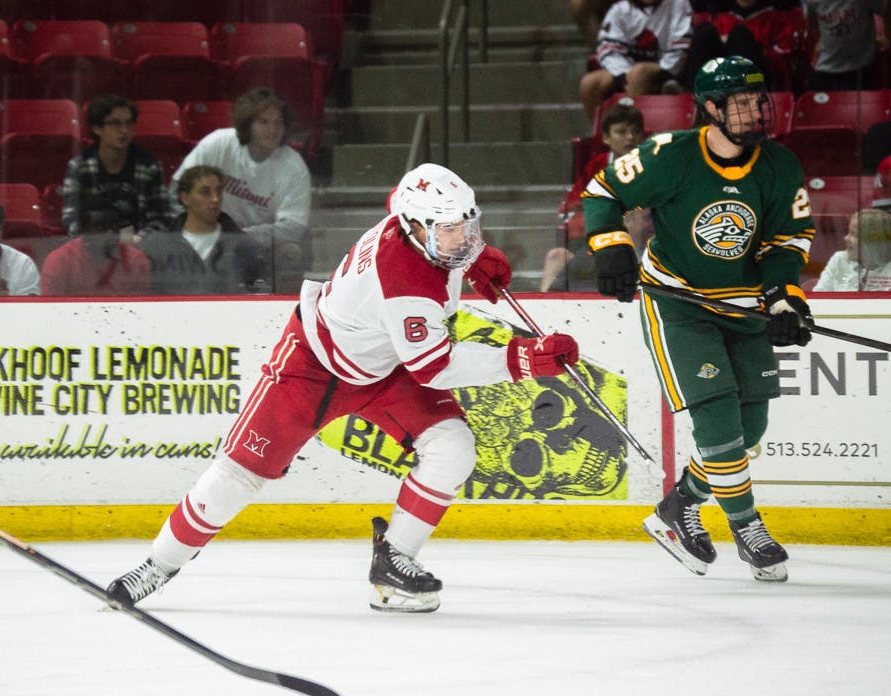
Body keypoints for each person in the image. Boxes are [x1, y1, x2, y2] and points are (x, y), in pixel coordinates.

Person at [105, 163, 580, 613]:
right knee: (240, 473)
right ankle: (157, 565)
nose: (461, 238)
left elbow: (437, 267)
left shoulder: (418, 231)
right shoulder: (404, 277)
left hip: (386, 366)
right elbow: (435, 367)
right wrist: (522, 357)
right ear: (414, 225)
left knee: (453, 448)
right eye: (448, 229)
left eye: (465, 226)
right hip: (313, 368)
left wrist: (468, 263)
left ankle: (393, 561)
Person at [582, 56, 815, 582]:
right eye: (741, 102)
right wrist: (611, 245)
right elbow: (603, 192)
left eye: (760, 99)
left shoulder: (781, 166)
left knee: (749, 426)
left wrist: (784, 299)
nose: (757, 110)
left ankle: (679, 506)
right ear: (710, 108)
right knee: (716, 420)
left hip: (743, 307)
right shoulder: (670, 156)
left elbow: (787, 241)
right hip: (678, 304)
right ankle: (747, 527)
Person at [170, 87, 312, 291]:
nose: (272, 130)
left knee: (290, 251)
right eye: (264, 122)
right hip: (207, 229)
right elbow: (179, 188)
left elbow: (293, 227)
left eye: (277, 123)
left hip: (259, 243)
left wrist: (238, 238)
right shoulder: (219, 143)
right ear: (247, 123)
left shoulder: (293, 166)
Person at [543, 101, 648, 292]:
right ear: (607, 137)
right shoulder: (597, 166)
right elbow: (570, 207)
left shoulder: (652, 166)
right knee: (556, 256)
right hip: (593, 241)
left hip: (640, 243)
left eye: (635, 131)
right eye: (622, 132)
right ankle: (540, 316)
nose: (630, 137)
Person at [141, 165, 269, 295]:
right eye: (205, 192)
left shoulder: (245, 246)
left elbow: (261, 297)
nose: (215, 199)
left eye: (218, 191)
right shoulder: (157, 247)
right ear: (185, 198)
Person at [60, 94, 172, 239]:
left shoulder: (149, 165)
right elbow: (70, 218)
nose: (124, 130)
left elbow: (162, 218)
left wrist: (139, 239)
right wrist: (97, 239)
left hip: (140, 249)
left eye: (129, 123)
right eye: (115, 124)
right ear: (96, 128)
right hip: (93, 246)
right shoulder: (79, 166)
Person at [578, 0, 693, 121]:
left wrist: (663, 70)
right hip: (626, 71)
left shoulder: (679, 4)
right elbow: (607, 49)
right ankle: (604, 134)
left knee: (638, 74)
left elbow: (681, 49)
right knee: (590, 83)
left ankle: (633, 132)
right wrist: (623, 74)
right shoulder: (620, 9)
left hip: (667, 69)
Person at [40, 196, 150, 296]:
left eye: (114, 227)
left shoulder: (136, 260)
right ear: (83, 230)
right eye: (99, 228)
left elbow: (139, 310)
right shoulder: (59, 260)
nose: (108, 234)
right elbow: (53, 312)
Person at [684, 0, 802, 90]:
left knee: (740, 36)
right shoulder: (718, 16)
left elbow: (786, 65)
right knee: (704, 33)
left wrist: (753, 47)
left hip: (759, 83)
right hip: (719, 85)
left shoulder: (782, 15)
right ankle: (694, 100)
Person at [806, 0, 891, 91]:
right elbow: (813, 25)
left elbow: (886, 7)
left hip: (859, 70)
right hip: (824, 71)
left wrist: (887, 37)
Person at [814, 209, 891, 291]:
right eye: (849, 232)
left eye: (854, 234)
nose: (846, 238)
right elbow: (818, 298)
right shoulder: (839, 260)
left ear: (874, 242)